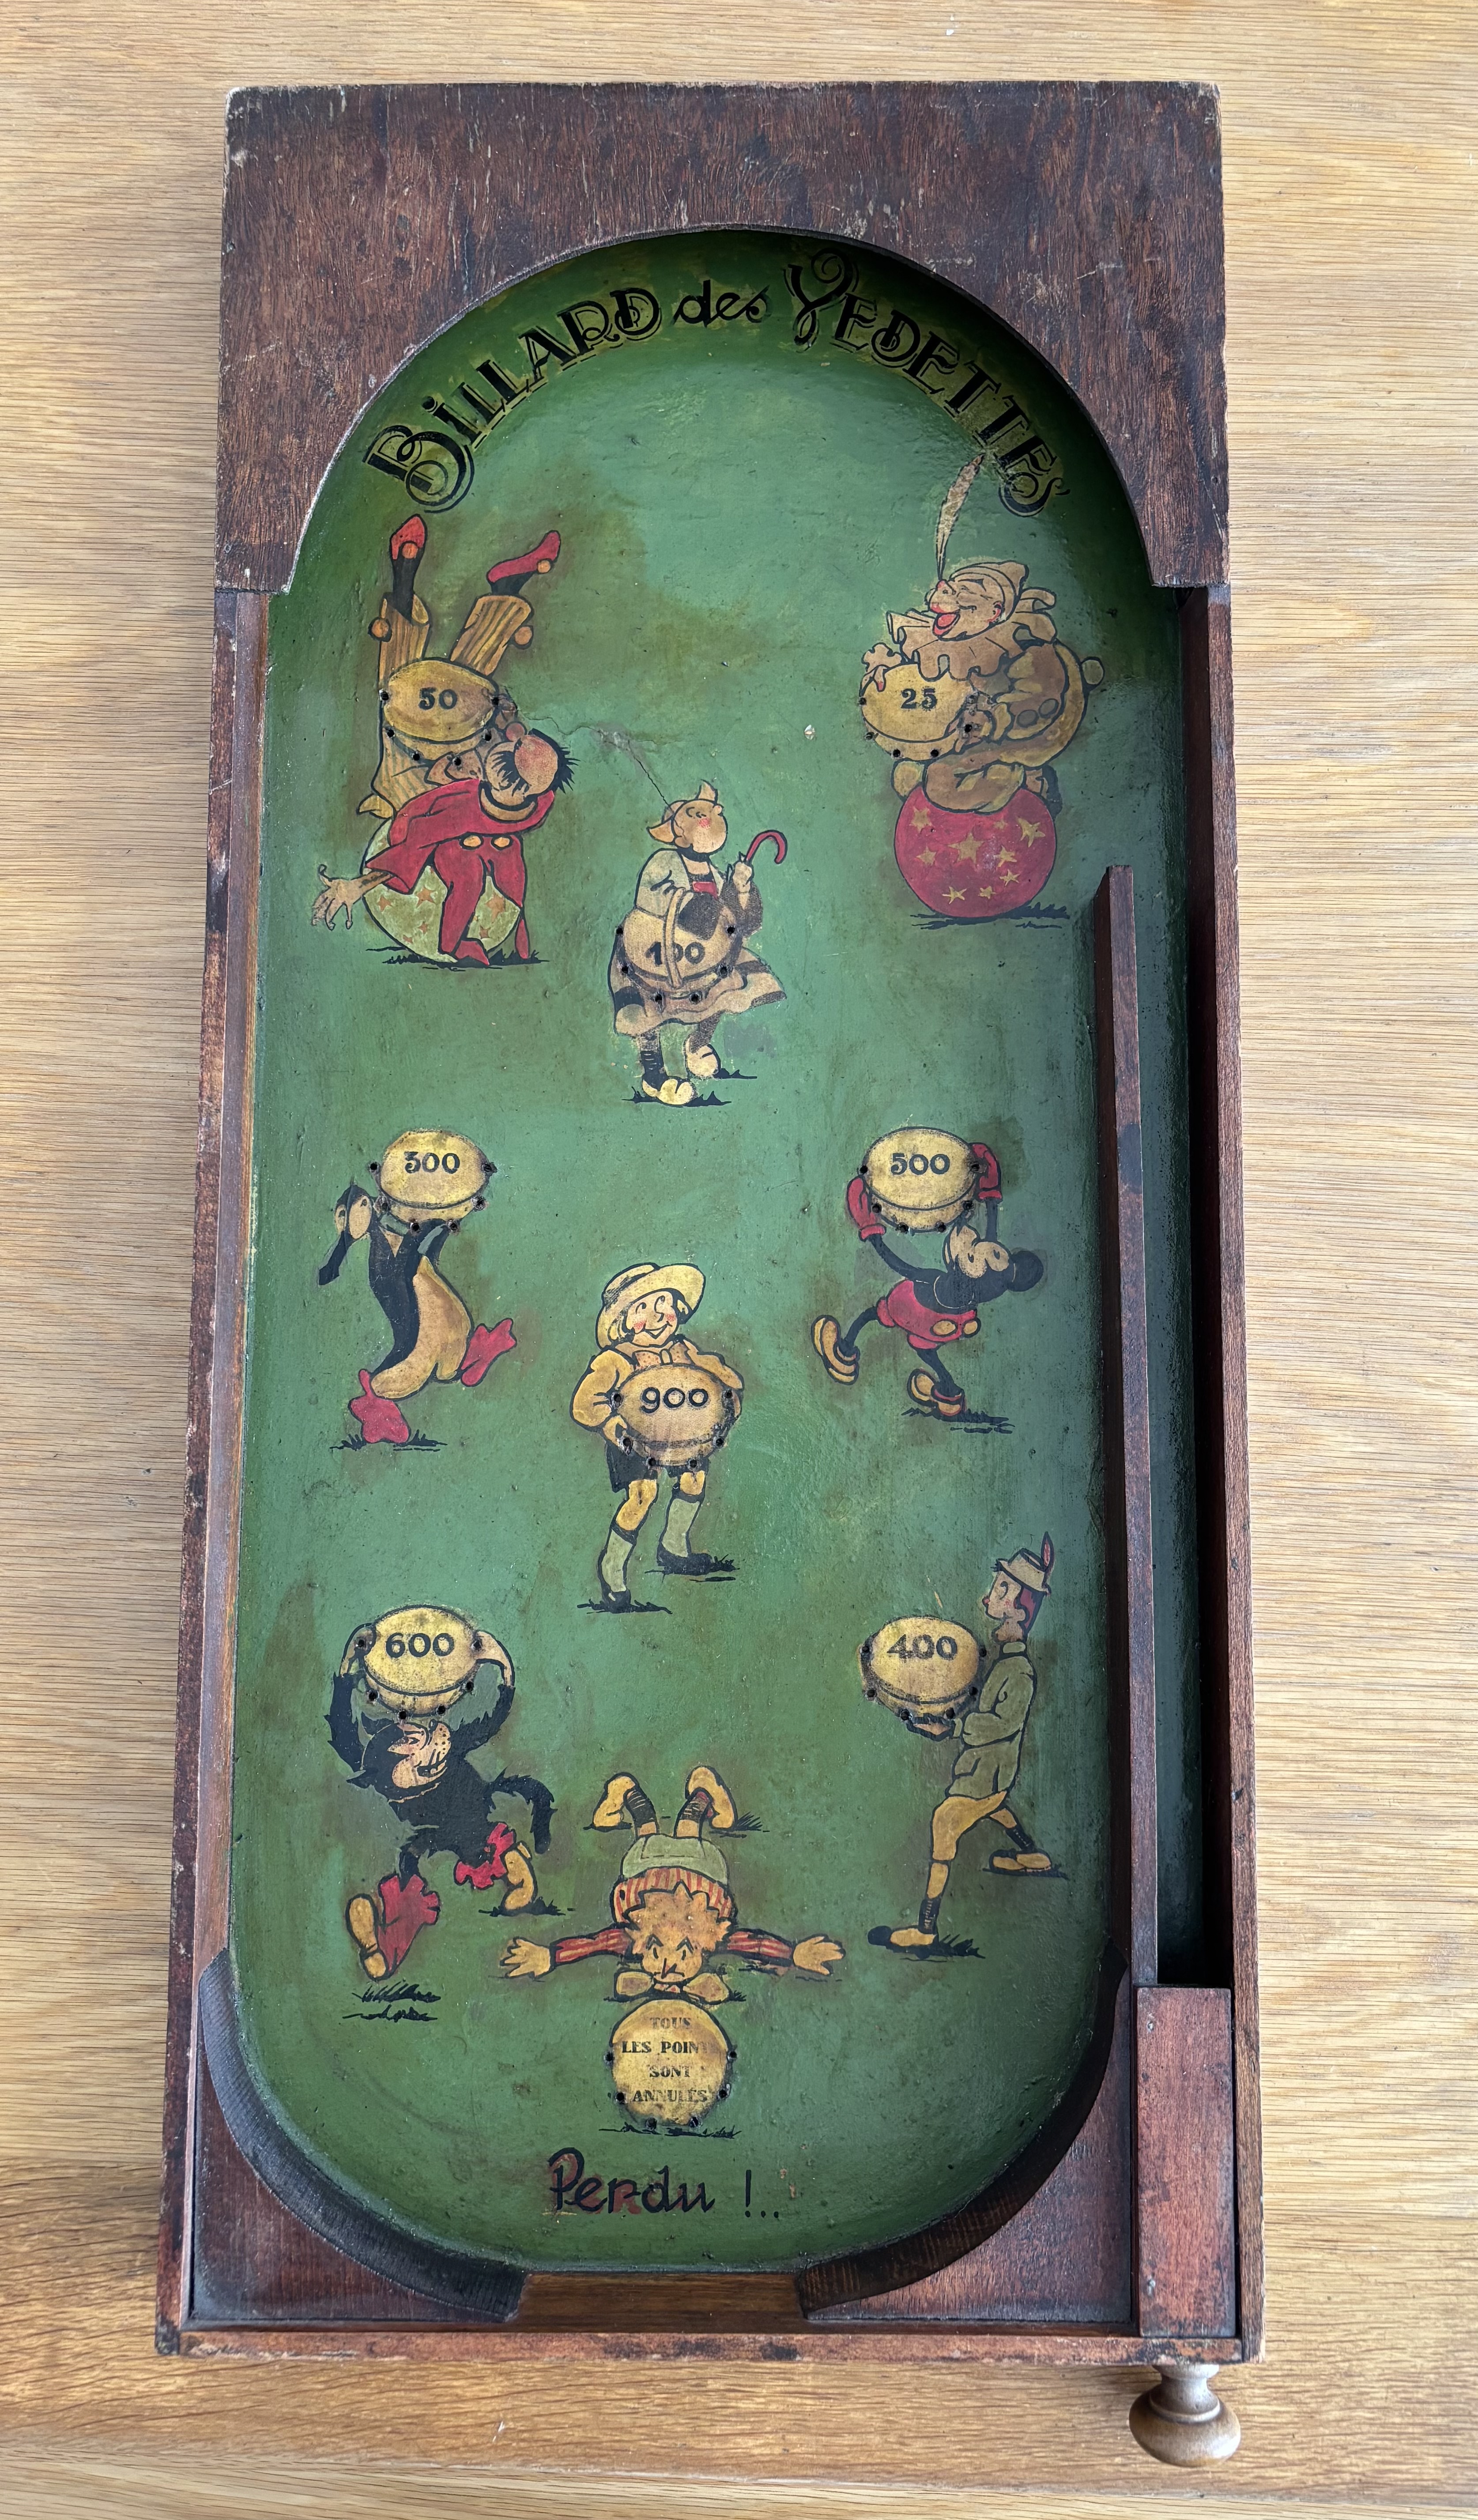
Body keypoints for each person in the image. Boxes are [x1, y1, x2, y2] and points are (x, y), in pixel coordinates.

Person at [328, 1620, 554, 1981]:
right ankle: (385, 1943)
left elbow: (490, 1723)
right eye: (409, 1757)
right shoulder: (389, 1768)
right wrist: (346, 1671)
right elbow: (346, 1740)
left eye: (411, 1742)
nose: (416, 1746)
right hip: (451, 1828)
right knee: (415, 1875)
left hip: (468, 1819)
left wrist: (504, 1670)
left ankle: (517, 1875)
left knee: (496, 1832)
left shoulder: (443, 1749)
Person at [501, 1766, 842, 2003]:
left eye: (658, 1956)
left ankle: (651, 1792)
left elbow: (595, 1944)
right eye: (678, 1956)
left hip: (655, 1868)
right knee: (674, 1833)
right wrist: (793, 1954)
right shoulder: (706, 1934)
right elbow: (753, 1944)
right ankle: (687, 1792)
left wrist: (550, 1956)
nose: (667, 1966)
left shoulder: (640, 1937)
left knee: (663, 1832)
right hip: (686, 1869)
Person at [877, 1535, 1056, 1955]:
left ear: (1019, 1609)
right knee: (996, 1808)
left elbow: (1003, 1725)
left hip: (985, 1773)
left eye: (1002, 1589)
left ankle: (926, 1928)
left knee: (945, 1823)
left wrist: (955, 1728)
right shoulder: (1007, 1662)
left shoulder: (1020, 1672)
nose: (990, 1595)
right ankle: (1033, 1856)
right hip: (991, 1772)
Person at [570, 1264, 743, 1608]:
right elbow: (584, 1403)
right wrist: (612, 1426)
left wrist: (726, 1395)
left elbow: (719, 1379)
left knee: (694, 1479)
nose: (661, 1314)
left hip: (684, 1435)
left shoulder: (684, 1350)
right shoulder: (616, 1360)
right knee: (642, 1496)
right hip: (634, 1441)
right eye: (647, 1306)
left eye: (667, 1303)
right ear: (625, 1320)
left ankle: (674, 1547)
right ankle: (613, 1568)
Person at [609, 783, 784, 1103]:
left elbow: (740, 923)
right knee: (648, 1009)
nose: (709, 819)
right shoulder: (663, 861)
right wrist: (697, 907)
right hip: (655, 955)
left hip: (699, 960)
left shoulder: (713, 872)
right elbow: (654, 896)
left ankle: (698, 1044)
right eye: (697, 815)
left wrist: (740, 887)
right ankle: (654, 1075)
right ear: (679, 833)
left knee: (720, 990)